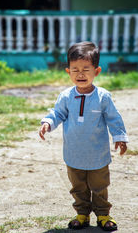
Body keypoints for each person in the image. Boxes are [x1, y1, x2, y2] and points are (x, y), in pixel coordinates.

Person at [39, 41, 128, 231]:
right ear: (67, 72)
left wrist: (119, 136)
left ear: (97, 71)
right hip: (73, 154)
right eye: (75, 69)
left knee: (99, 187)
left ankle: (103, 215)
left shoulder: (103, 97)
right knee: (78, 187)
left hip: (97, 154)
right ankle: (82, 213)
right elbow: (57, 114)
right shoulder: (65, 96)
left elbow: (113, 118)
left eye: (86, 69)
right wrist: (48, 122)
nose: (80, 74)